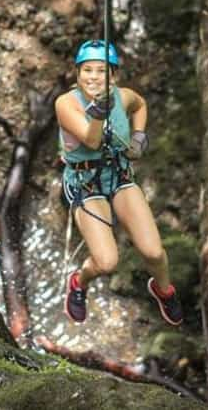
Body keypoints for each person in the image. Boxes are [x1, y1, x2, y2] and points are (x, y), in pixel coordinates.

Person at [55, 40, 183, 326]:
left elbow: (140, 105)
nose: (93, 77)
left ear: (113, 75)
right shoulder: (65, 103)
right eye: (87, 70)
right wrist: (99, 112)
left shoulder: (122, 97)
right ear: (77, 73)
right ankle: (79, 281)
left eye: (102, 71)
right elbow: (91, 139)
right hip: (85, 184)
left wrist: (138, 137)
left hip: (119, 175)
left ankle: (163, 290)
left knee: (153, 251)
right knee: (107, 262)